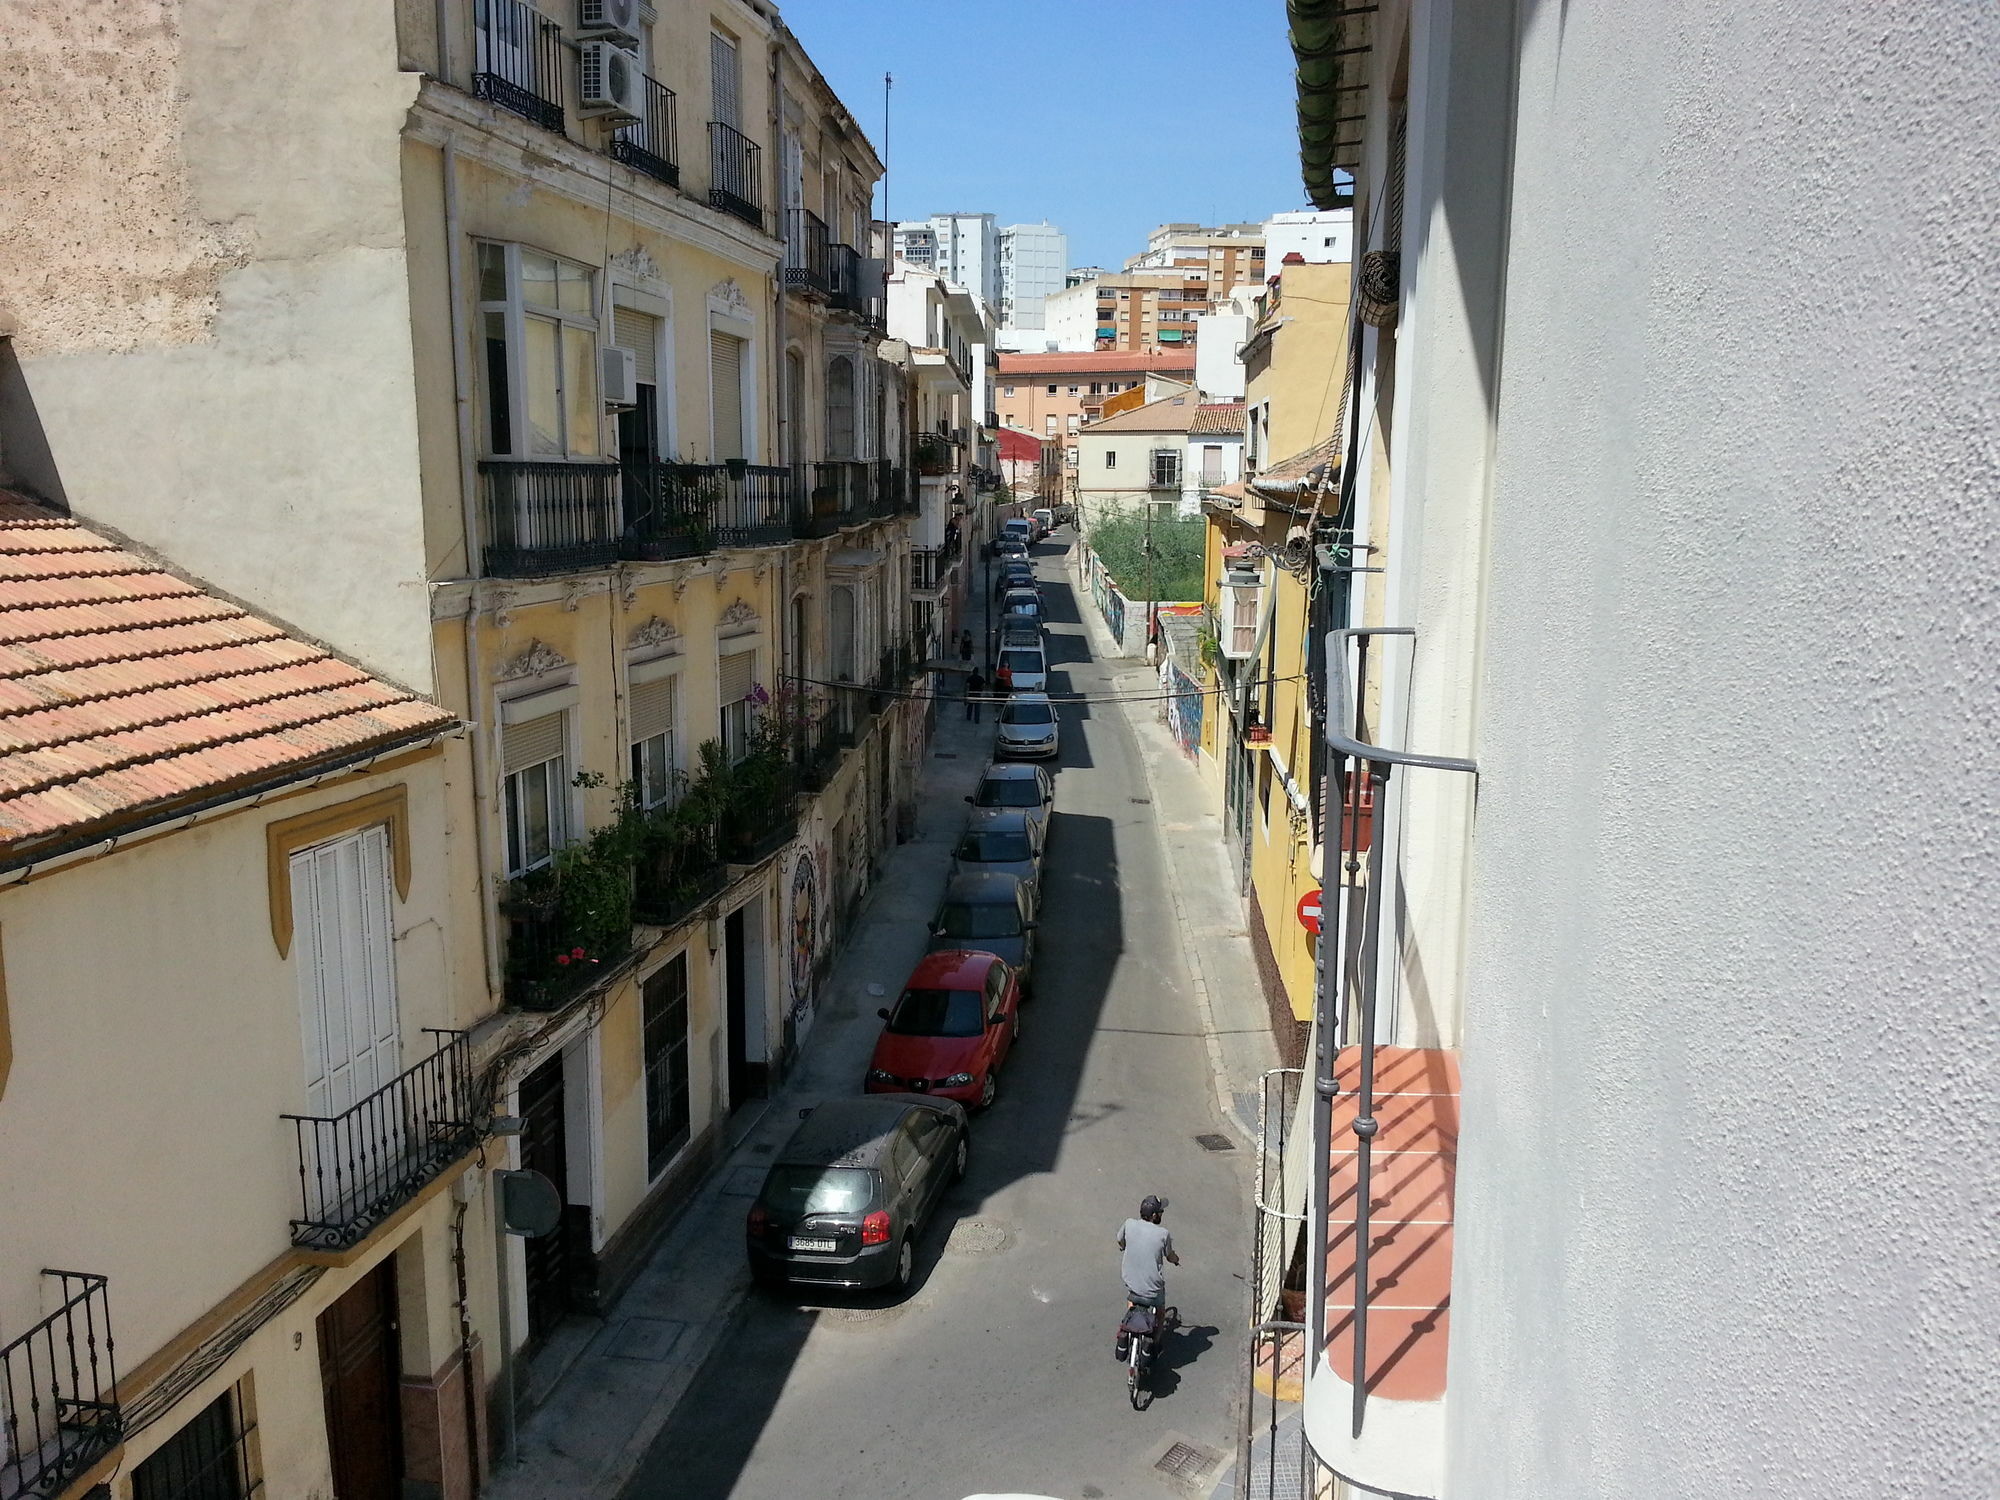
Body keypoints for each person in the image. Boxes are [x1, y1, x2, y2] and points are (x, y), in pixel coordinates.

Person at [1114, 1195, 1179, 1358]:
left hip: (1131, 1282)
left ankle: (1131, 1323)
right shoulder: (1163, 1234)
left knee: (1132, 1297)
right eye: (1161, 1211)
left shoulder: (1129, 1224)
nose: (1162, 1214)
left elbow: (1119, 1240)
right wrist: (1176, 1260)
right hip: (1152, 1290)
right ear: (1155, 1215)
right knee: (1161, 1311)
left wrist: (1125, 1247)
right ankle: (1155, 1342)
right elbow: (1170, 1256)